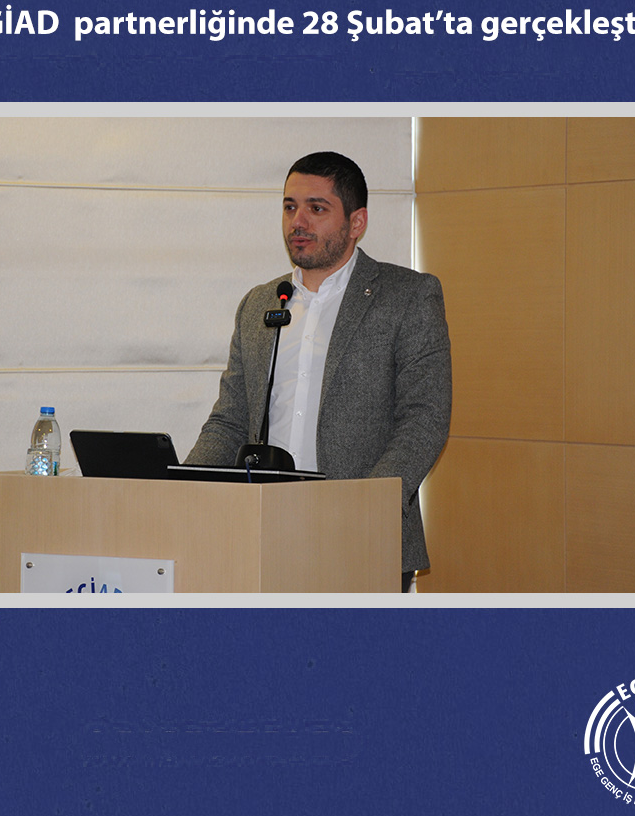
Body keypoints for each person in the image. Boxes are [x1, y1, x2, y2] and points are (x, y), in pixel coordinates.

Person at [185, 151, 451, 589]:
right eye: (290, 207)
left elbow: (425, 420)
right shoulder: (259, 304)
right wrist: (183, 489)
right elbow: (230, 420)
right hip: (262, 531)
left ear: (357, 222)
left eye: (317, 208)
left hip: (361, 537)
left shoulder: (407, 297)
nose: (298, 222)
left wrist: (364, 506)